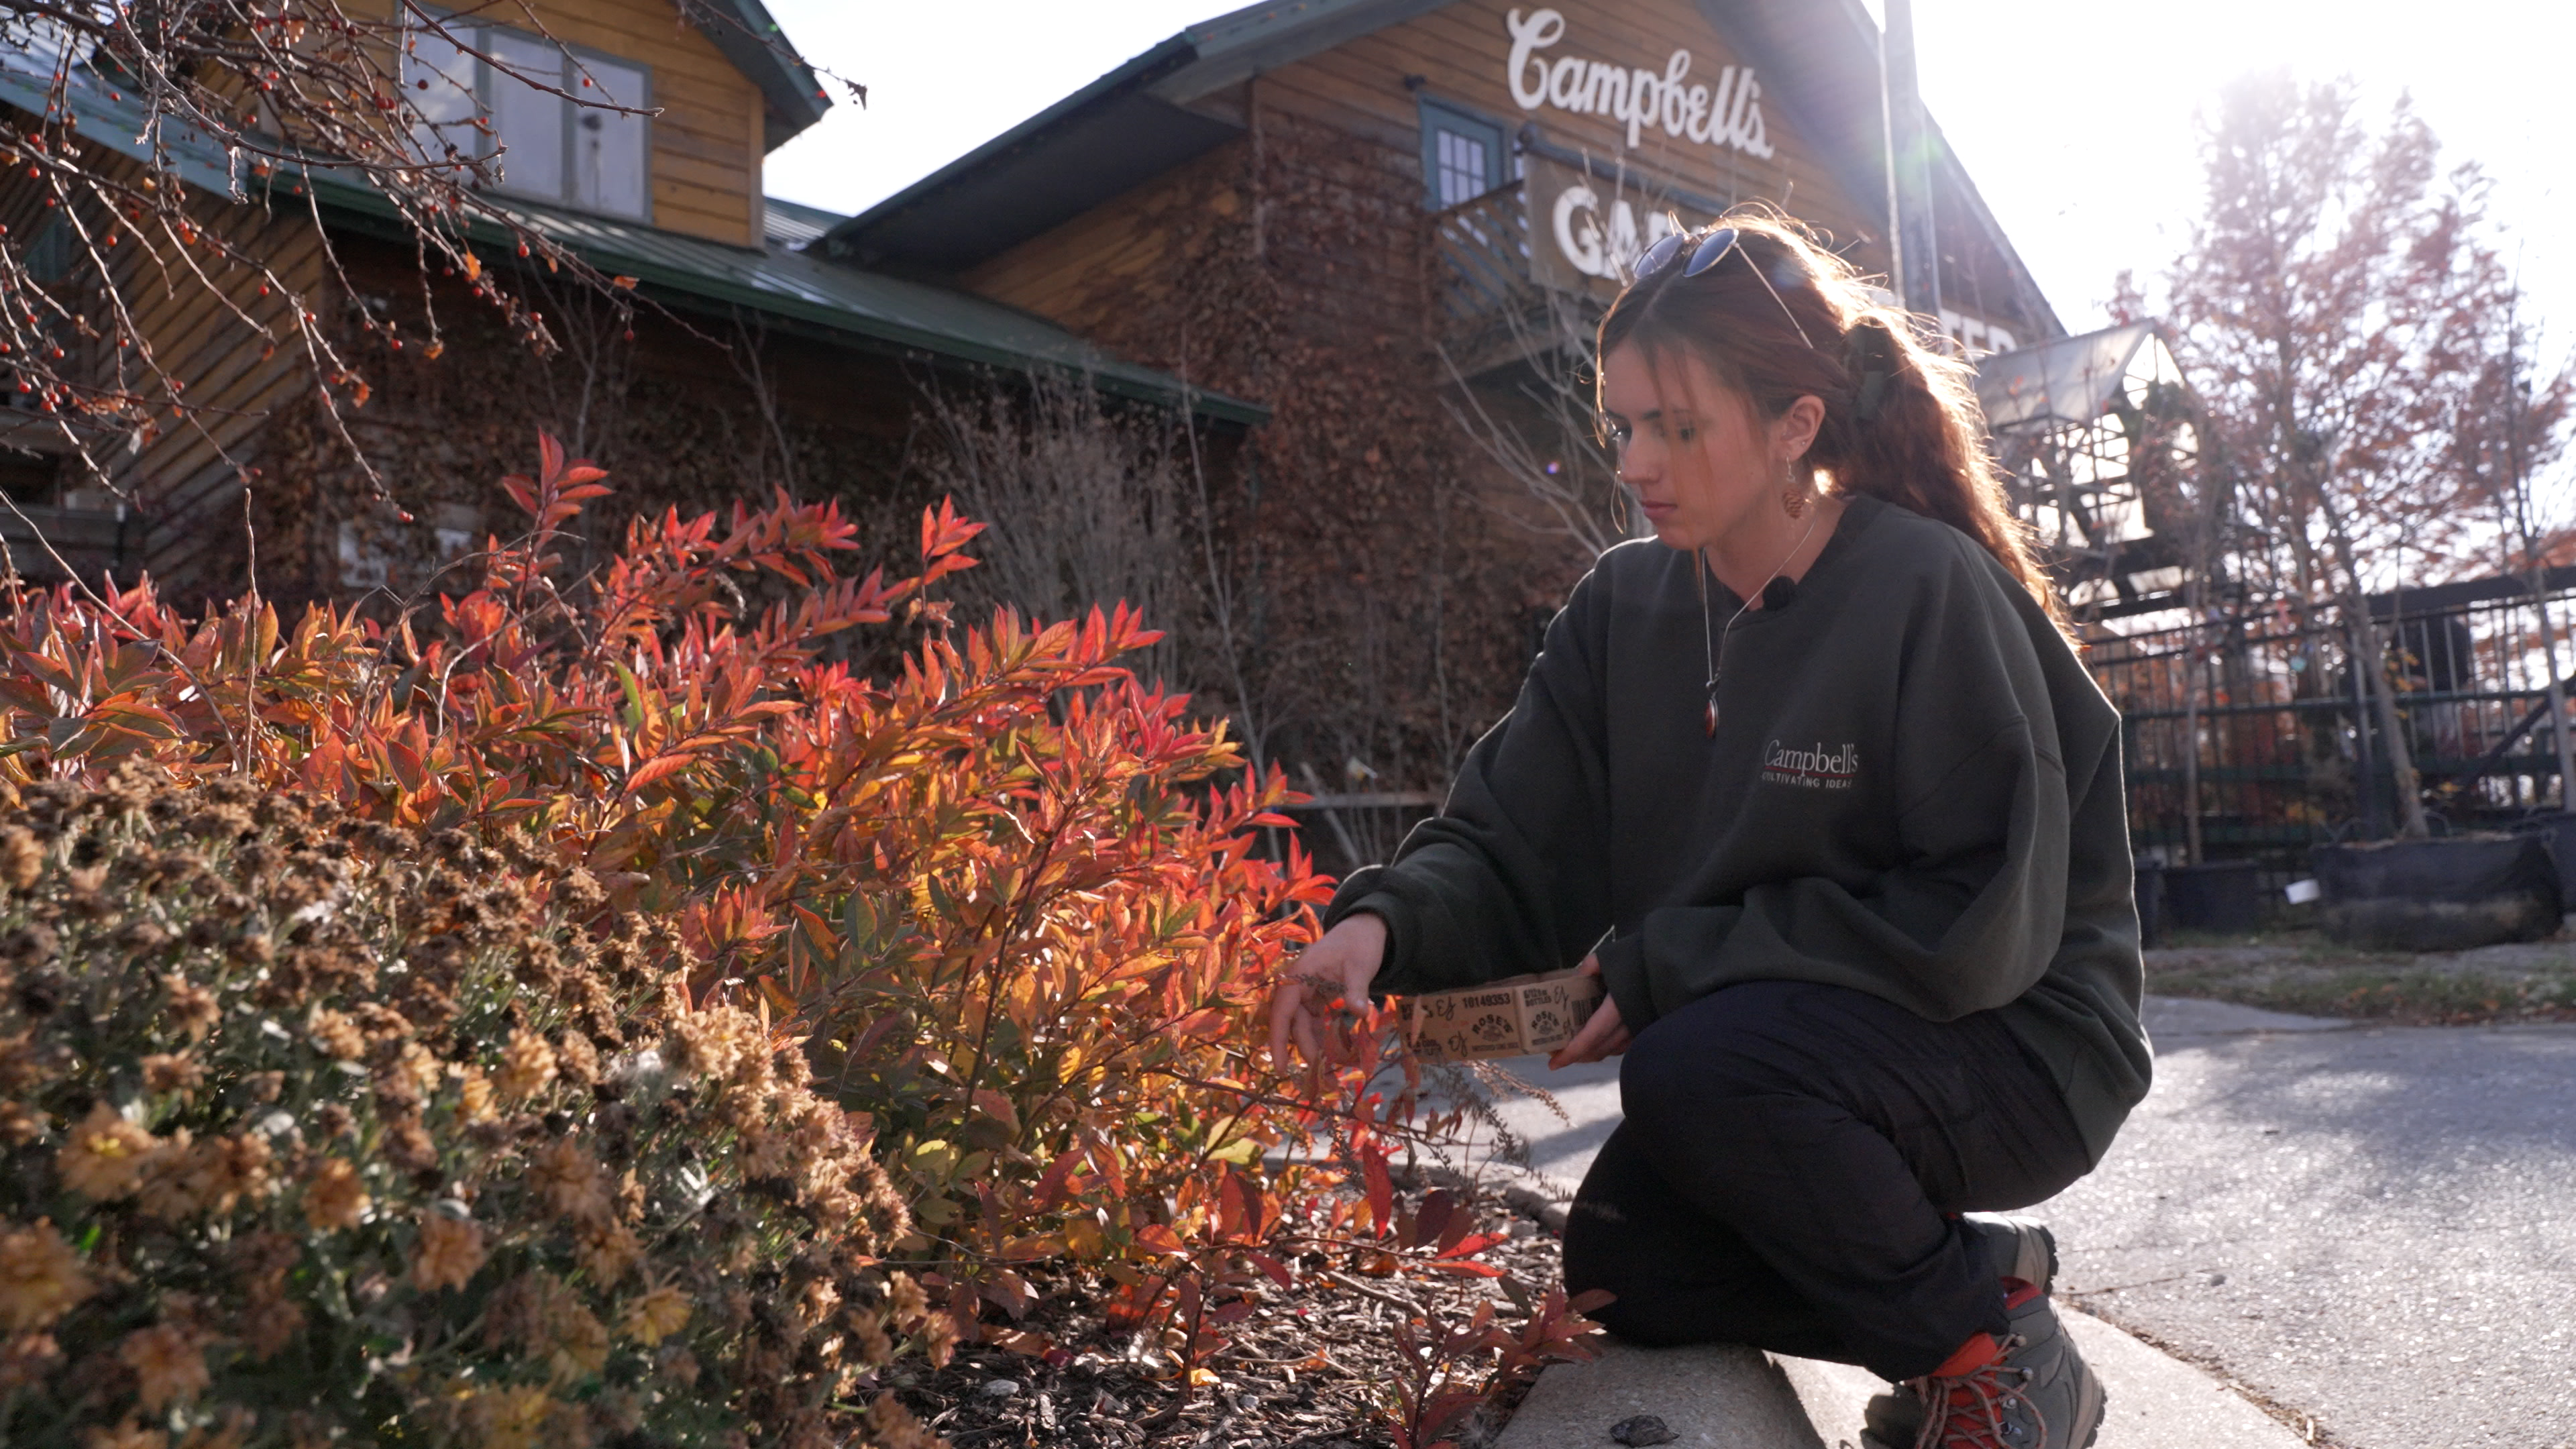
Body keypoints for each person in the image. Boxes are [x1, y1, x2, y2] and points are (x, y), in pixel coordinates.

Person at [1269, 212, 2149, 1449]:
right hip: (1795, 1047)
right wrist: (1375, 931)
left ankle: (1989, 1364)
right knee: (1625, 1265)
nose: (1637, 460)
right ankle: (1984, 1281)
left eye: (1677, 427)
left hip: (2017, 1047)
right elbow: (1509, 840)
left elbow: (1975, 928)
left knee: (1695, 1069)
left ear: (1796, 425)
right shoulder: (1622, 611)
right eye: (1623, 423)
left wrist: (1671, 964)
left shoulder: (1921, 587)